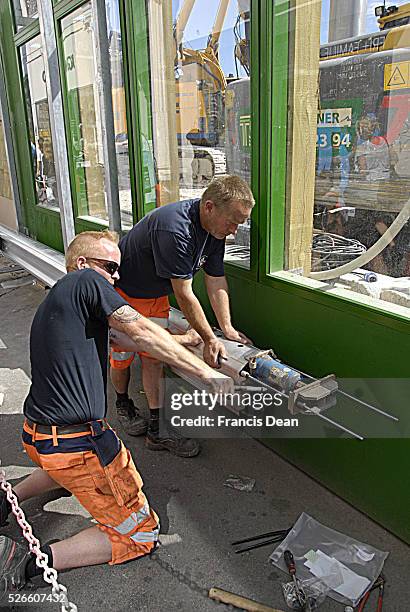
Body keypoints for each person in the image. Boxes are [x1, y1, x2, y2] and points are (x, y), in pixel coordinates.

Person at [0, 230, 232, 598]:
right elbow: (137, 328)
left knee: (66, 472)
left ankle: (5, 500)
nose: (116, 277)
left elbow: (129, 338)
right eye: (110, 267)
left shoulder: (65, 303)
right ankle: (27, 561)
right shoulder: (86, 281)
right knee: (139, 532)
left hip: (39, 436)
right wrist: (207, 374)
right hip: (76, 444)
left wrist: (191, 340)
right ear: (82, 264)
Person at [110, 175, 255, 457]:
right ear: (209, 207)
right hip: (126, 295)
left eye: (240, 223)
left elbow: (215, 280)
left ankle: (156, 429)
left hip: (155, 294)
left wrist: (227, 328)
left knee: (155, 359)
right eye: (232, 222)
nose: (235, 231)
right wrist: (209, 339)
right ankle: (123, 403)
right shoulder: (175, 230)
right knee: (121, 358)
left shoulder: (215, 230)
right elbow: (185, 294)